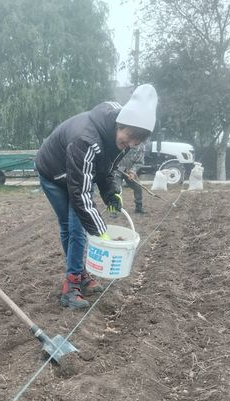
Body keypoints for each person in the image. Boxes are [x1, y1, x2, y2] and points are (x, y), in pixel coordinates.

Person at [36, 84, 158, 309]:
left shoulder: (119, 137)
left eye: (135, 142)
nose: (130, 145)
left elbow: (106, 168)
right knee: (76, 227)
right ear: (121, 124)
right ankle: (71, 287)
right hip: (53, 172)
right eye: (128, 139)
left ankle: (79, 275)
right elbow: (81, 194)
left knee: (75, 228)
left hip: (76, 173)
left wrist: (112, 193)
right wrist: (101, 232)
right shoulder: (87, 139)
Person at [114, 144, 146, 214]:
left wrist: (132, 171)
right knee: (116, 189)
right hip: (117, 169)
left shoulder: (141, 146)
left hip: (129, 171)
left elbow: (139, 162)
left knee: (138, 187)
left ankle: (138, 208)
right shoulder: (121, 140)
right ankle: (114, 210)